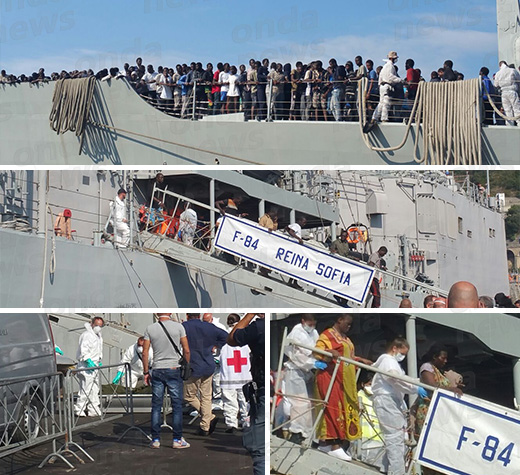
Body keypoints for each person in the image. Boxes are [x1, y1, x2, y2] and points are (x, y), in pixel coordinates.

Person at [314, 314, 371, 461]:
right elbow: (317, 352)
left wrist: (361, 360)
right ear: (339, 320)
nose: (349, 327)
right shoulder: (327, 335)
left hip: (344, 380)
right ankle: (334, 445)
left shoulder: (346, 339)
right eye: (348, 323)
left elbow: (349, 357)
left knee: (343, 409)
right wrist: (328, 354)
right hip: (329, 376)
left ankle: (327, 443)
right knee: (333, 408)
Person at [372, 337, 427, 475]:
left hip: (391, 400)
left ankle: (385, 466)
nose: (402, 356)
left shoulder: (391, 363)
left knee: (397, 436)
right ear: (394, 348)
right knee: (395, 436)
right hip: (387, 399)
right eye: (402, 353)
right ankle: (396, 472)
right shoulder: (388, 361)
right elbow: (395, 378)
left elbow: (402, 378)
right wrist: (415, 388)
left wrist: (417, 383)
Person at [412, 345, 463, 475]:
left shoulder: (440, 372)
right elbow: (432, 386)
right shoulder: (427, 368)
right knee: (429, 446)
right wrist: (451, 389)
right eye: (443, 358)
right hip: (427, 412)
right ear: (435, 357)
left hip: (440, 415)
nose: (445, 361)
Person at [143, 313, 190, 449]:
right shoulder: (179, 327)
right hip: (174, 367)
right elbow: (186, 350)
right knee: (176, 406)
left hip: (157, 368)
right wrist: (187, 365)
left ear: (157, 314)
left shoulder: (150, 328)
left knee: (156, 405)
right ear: (169, 313)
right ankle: (177, 439)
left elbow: (145, 352)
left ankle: (155, 439)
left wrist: (146, 372)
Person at [227, 312, 265, 475]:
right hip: (264, 385)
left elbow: (232, 339)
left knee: (260, 446)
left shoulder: (257, 327)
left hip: (261, 386)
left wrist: (249, 315)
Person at [183, 313, 228, 436]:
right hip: (208, 364)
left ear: (187, 316)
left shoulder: (183, 327)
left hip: (193, 365)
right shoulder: (210, 327)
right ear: (199, 315)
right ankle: (205, 424)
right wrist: (215, 345)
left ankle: (209, 418)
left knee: (189, 396)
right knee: (206, 397)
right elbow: (226, 336)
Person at [283, 314, 319, 443]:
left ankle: (308, 432)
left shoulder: (313, 332)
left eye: (313, 324)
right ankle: (296, 431)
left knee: (310, 403)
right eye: (309, 324)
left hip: (308, 372)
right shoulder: (296, 333)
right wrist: (313, 363)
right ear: (303, 321)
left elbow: (317, 349)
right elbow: (296, 355)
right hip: (295, 370)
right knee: (299, 402)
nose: (311, 327)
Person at [219, 313, 251, 433]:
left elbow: (217, 355)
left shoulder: (223, 337)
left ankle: (231, 424)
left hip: (228, 375)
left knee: (229, 401)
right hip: (244, 375)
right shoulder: (245, 336)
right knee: (245, 400)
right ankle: (246, 421)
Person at [365, 51, 404, 131]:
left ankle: (374, 117)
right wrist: (400, 80)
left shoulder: (384, 67)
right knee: (386, 103)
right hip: (387, 85)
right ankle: (384, 119)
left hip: (382, 86)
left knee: (381, 103)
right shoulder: (390, 66)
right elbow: (390, 77)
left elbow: (380, 78)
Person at [74, 317, 104, 417]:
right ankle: (79, 408)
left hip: (94, 366)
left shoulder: (98, 336)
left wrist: (99, 360)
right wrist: (88, 360)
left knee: (94, 388)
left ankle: (93, 408)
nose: (98, 328)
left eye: (100, 326)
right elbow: (84, 350)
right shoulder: (86, 335)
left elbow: (98, 350)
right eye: (97, 325)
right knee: (85, 388)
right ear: (92, 324)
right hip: (85, 366)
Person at [494, 61, 520, 126]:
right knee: (516, 108)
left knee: (507, 110)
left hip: (504, 93)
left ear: (500, 66)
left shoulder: (498, 73)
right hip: (512, 91)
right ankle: (519, 123)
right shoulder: (512, 70)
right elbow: (518, 79)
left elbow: (496, 84)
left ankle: (509, 124)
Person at [286, 216, 307, 289]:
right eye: (304, 222)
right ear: (300, 221)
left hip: (293, 248)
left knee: (295, 266)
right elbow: (291, 231)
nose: (304, 224)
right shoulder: (297, 226)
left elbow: (287, 229)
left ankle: (293, 281)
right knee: (296, 265)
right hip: (294, 249)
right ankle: (293, 282)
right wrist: (299, 239)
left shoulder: (294, 225)